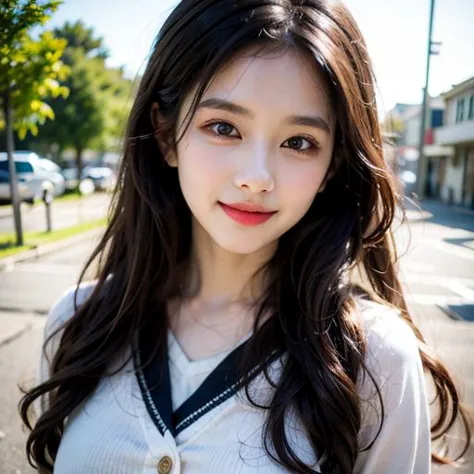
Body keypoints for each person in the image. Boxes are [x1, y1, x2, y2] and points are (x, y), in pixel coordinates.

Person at [19, 1, 472, 473]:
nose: (257, 177)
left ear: (332, 163)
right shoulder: (77, 323)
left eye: (299, 142)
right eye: (224, 128)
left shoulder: (374, 360)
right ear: (166, 134)